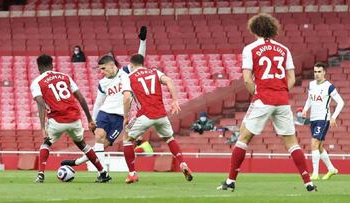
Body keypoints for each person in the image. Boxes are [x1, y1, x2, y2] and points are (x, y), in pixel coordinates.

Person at [217, 13, 316, 192]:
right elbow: (291, 78)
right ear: (273, 29)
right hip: (282, 100)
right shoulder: (284, 49)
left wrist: (259, 93)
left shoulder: (250, 49)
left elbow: (247, 79)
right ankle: (308, 183)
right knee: (292, 142)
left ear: (254, 29)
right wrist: (280, 91)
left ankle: (230, 181)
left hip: (263, 98)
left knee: (244, 137)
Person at [61, 26, 147, 168]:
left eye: (103, 68)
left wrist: (143, 41)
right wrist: (92, 120)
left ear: (112, 66)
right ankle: (102, 173)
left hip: (119, 118)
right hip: (104, 114)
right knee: (99, 138)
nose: (101, 72)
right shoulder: (102, 83)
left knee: (102, 146)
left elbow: (139, 60)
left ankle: (77, 162)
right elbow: (98, 103)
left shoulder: (126, 73)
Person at [30, 54, 110, 183]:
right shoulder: (65, 77)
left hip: (56, 120)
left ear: (39, 68)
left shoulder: (37, 82)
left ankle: (40, 175)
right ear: (52, 65)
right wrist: (90, 119)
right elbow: (80, 98)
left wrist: (43, 127)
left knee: (46, 143)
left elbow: (40, 103)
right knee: (82, 144)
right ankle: (102, 173)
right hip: (74, 118)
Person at [121, 54, 193, 184]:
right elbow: (170, 81)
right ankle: (182, 163)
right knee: (169, 139)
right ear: (143, 63)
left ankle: (132, 174)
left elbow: (126, 97)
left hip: (144, 115)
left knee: (126, 139)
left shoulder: (129, 77)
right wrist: (175, 100)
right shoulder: (155, 72)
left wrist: (126, 117)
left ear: (131, 65)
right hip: (161, 115)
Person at [302, 62, 344, 180]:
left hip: (323, 119)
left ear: (324, 72)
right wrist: (305, 109)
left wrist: (333, 117)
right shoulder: (311, 85)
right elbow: (309, 99)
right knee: (319, 146)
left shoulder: (329, 86)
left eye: (319, 72)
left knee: (314, 143)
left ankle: (315, 173)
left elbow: (341, 102)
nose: (317, 74)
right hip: (313, 119)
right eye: (315, 72)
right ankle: (331, 169)